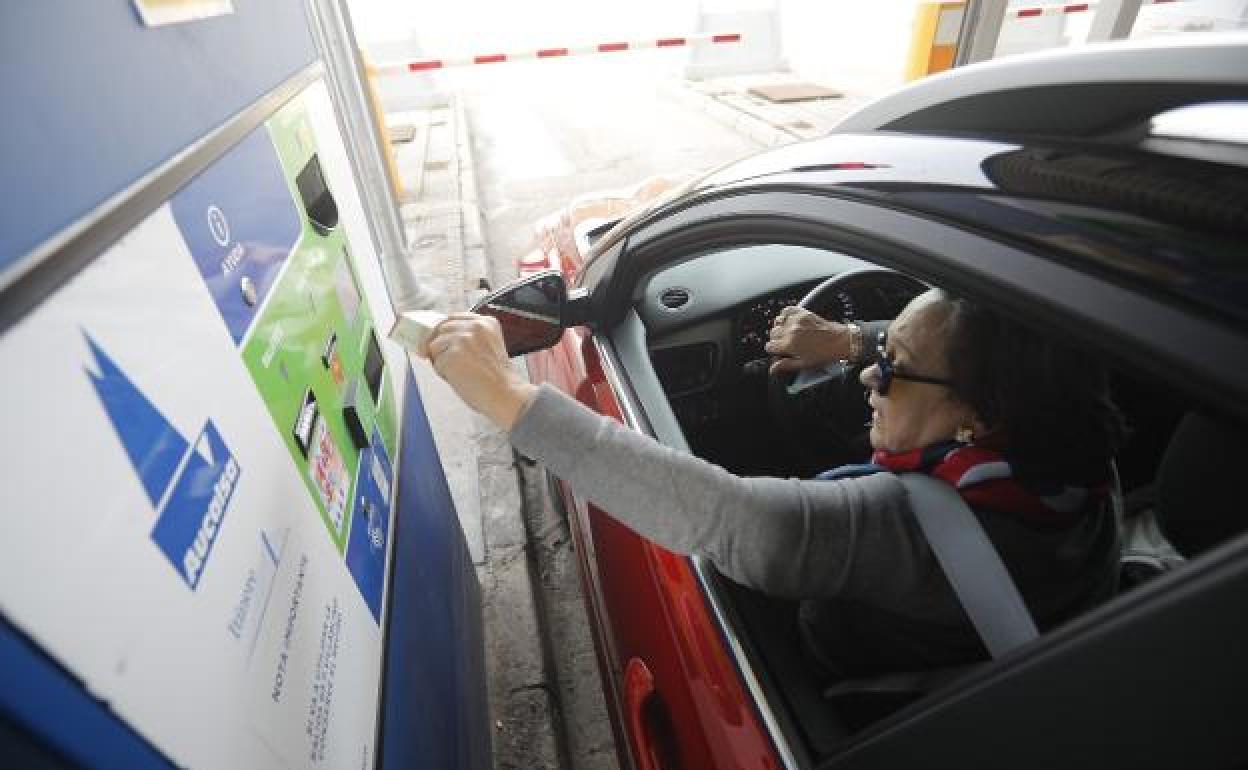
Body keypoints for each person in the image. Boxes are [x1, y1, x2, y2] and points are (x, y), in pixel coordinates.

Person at [418, 289, 1125, 673]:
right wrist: (855, 339)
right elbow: (950, 350)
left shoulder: (914, 529)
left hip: (857, 686)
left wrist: (508, 398)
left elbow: (733, 519)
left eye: (892, 365)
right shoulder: (1073, 460)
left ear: (978, 413)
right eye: (878, 353)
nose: (869, 378)